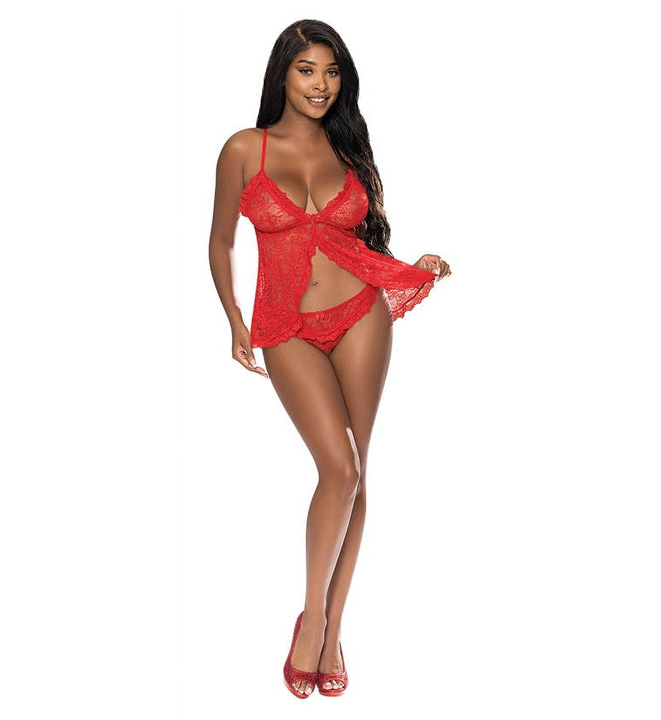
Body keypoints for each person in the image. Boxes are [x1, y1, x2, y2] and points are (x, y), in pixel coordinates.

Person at [208, 18, 452, 699]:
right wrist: (233, 318)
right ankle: (310, 619)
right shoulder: (244, 148)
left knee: (358, 473)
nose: (321, 85)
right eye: (307, 70)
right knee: (337, 469)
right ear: (282, 74)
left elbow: (358, 243)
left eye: (332, 71)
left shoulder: (349, 149)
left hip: (360, 315)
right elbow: (221, 241)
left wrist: (412, 264)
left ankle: (334, 628)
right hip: (284, 323)